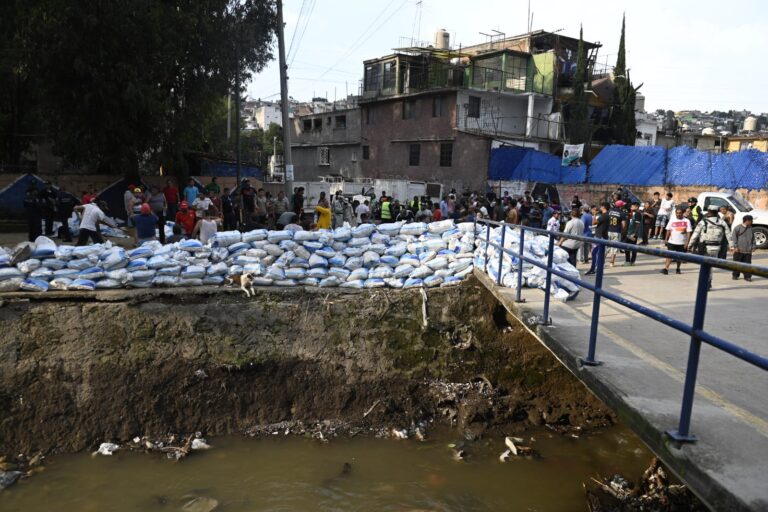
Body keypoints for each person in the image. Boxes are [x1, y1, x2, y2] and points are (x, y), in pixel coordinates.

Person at [687, 205, 733, 288]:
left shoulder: (703, 222)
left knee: (704, 265)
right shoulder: (722, 222)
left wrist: (690, 245)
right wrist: (732, 247)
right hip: (716, 248)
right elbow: (728, 235)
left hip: (704, 248)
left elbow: (695, 234)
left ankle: (704, 282)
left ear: (709, 211)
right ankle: (708, 282)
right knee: (711, 266)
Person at [661, 207, 692, 275]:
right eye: (677, 213)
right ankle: (666, 269)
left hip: (681, 243)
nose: (678, 214)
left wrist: (687, 243)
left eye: (680, 213)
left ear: (682, 213)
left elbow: (689, 232)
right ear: (675, 213)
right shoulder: (672, 219)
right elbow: (668, 229)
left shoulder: (687, 221)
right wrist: (666, 239)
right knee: (669, 255)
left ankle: (678, 268)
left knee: (679, 257)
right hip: (672, 242)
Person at [585, 203, 610, 275]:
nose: (600, 208)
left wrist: (594, 214)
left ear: (604, 207)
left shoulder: (603, 216)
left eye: (601, 206)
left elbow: (593, 223)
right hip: (602, 236)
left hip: (600, 237)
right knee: (596, 253)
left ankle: (596, 269)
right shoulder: (607, 215)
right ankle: (595, 269)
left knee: (596, 253)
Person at [732, 215, 755, 281]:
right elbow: (734, 238)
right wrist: (735, 247)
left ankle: (747, 277)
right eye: (751, 220)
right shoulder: (737, 228)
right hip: (738, 250)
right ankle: (735, 275)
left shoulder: (751, 228)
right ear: (747, 221)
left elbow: (753, 239)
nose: (752, 222)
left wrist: (753, 246)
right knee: (737, 264)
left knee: (748, 264)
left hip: (748, 250)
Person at [606, 200, 627, 267]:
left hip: (608, 231)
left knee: (606, 246)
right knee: (614, 248)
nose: (624, 205)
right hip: (616, 232)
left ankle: (602, 261)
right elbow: (623, 224)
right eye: (623, 205)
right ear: (620, 206)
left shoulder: (610, 211)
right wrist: (623, 230)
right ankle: (611, 263)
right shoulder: (622, 213)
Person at [624, 202, 643, 266]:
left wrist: (634, 234)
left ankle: (631, 261)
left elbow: (638, 225)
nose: (631, 207)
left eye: (632, 206)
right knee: (627, 248)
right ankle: (628, 261)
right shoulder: (631, 213)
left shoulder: (638, 214)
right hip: (628, 232)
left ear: (636, 207)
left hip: (633, 234)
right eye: (631, 206)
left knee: (632, 248)